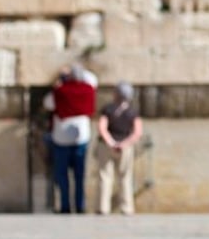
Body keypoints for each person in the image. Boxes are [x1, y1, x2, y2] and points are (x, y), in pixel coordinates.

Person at [42, 63, 98, 214]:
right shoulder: (88, 88)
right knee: (79, 175)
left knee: (62, 175)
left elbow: (47, 104)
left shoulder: (60, 91)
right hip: (81, 138)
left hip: (61, 138)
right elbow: (93, 78)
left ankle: (65, 206)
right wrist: (77, 71)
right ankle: (80, 206)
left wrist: (62, 78)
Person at [95, 81, 144, 216]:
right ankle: (127, 208)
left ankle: (103, 207)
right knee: (125, 177)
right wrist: (124, 144)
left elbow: (102, 128)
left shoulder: (108, 109)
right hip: (125, 147)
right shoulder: (132, 112)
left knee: (105, 176)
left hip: (107, 146)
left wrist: (111, 142)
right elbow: (137, 132)